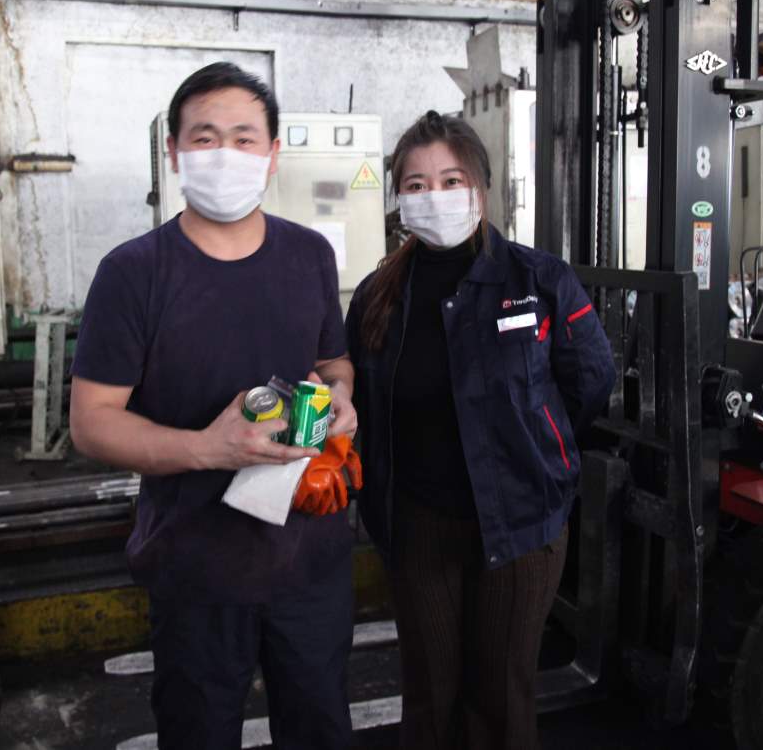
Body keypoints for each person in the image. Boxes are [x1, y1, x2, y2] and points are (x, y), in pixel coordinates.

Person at [69, 62, 358, 750]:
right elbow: (92, 422)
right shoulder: (133, 273)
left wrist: (341, 398)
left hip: (310, 562)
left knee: (320, 729)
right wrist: (209, 448)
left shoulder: (309, 256)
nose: (225, 153)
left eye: (244, 138)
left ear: (272, 154)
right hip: (196, 567)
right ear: (174, 151)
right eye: (204, 137)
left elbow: (332, 364)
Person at [345, 111, 616, 750]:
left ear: (481, 189)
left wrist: (542, 458)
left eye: (451, 180)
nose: (433, 196)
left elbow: (591, 381)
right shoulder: (378, 295)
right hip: (418, 527)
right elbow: (361, 402)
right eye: (415, 184)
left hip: (521, 524)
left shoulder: (539, 280)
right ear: (399, 198)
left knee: (499, 698)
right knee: (430, 694)